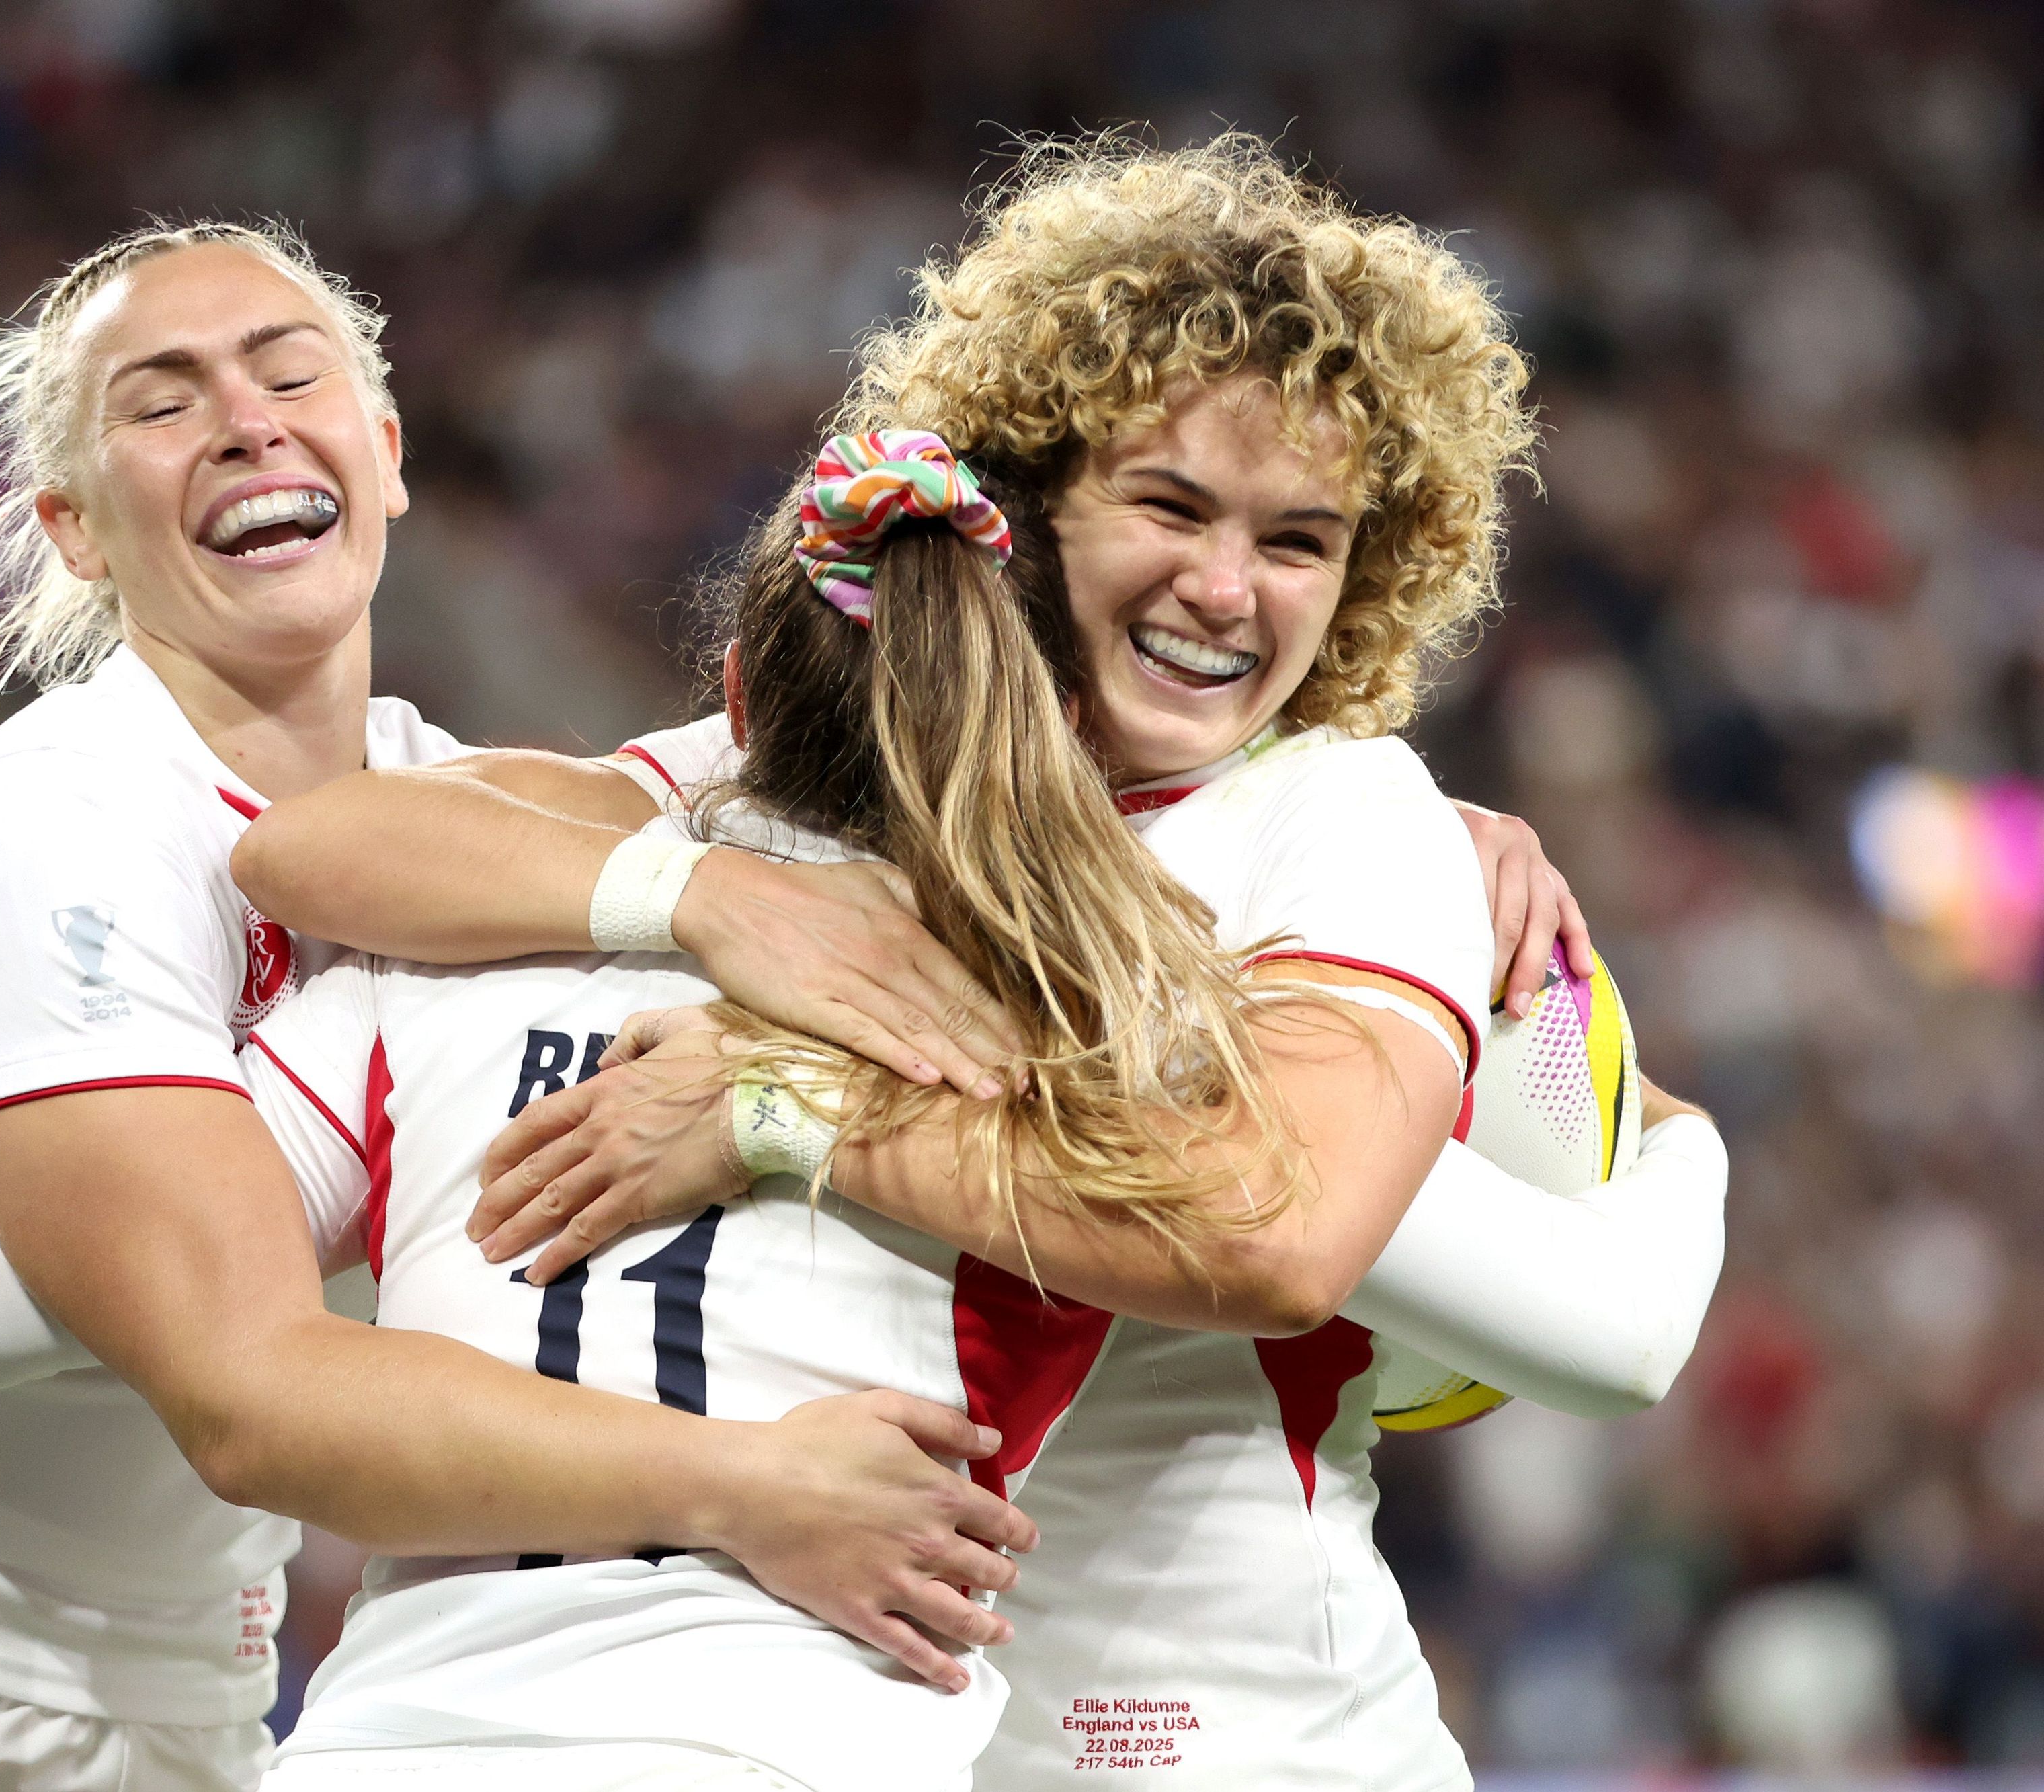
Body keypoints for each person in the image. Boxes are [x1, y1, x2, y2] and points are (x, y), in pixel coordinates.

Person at [231, 136, 1729, 1791]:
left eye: (1298, 540)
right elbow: (324, 846)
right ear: (1022, 509)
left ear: (1366, 575)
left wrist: (793, 1105)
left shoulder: (1342, 829)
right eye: (1166, 502)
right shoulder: (837, 790)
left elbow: (1296, 1236)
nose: (1224, 587)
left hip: (1247, 1743)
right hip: (904, 1723)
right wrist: (695, 899)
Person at [0, 219, 1031, 1792]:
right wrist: (744, 1488)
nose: (245, 418)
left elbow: (825, 745)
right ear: (75, 531)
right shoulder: (67, 824)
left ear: (385, 450)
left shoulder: (459, 817)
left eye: (290, 371)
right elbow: (228, 1379)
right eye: (161, 405)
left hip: (180, 1705)